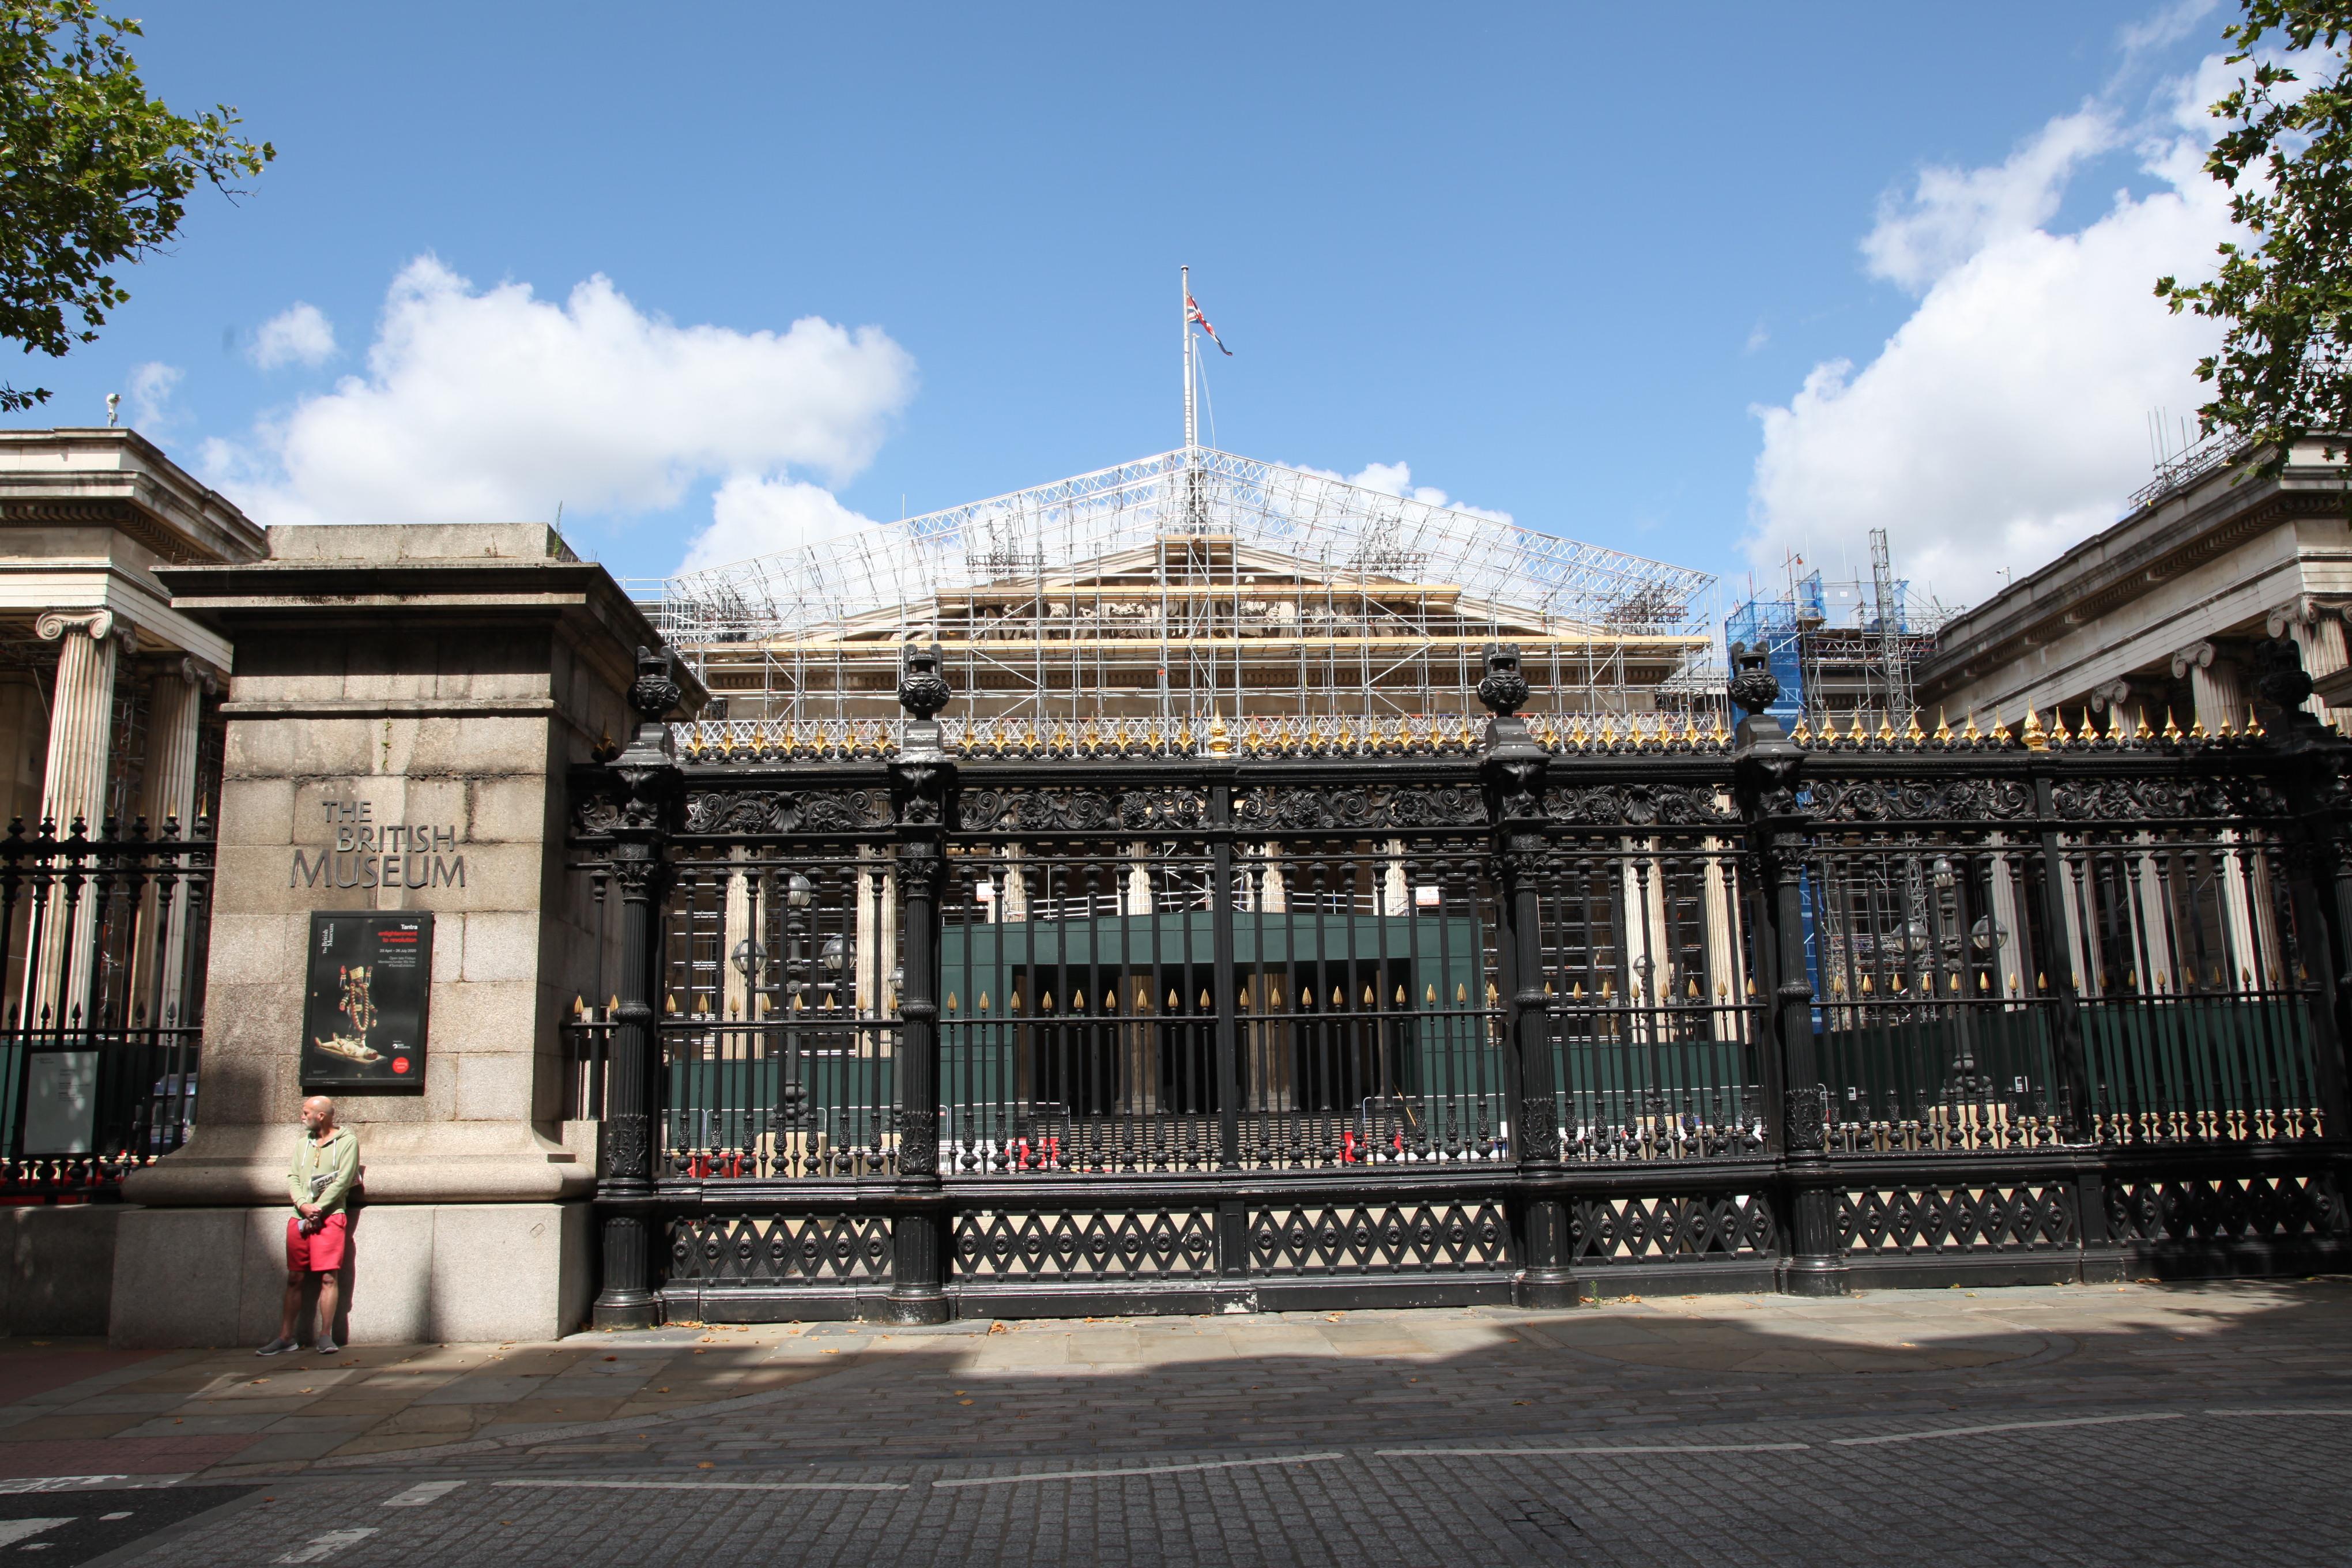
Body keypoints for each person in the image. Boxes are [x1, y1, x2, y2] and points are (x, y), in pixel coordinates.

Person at [258, 1095, 358, 1356]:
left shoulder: (347, 1142)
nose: (302, 1117)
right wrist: (303, 1204)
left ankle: (326, 1335)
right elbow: (293, 1176)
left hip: (330, 1217)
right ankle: (286, 1337)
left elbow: (345, 1178)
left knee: (328, 1277)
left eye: (306, 1113)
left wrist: (320, 1207)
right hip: (300, 1218)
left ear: (321, 1116)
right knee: (295, 1277)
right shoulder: (303, 1144)